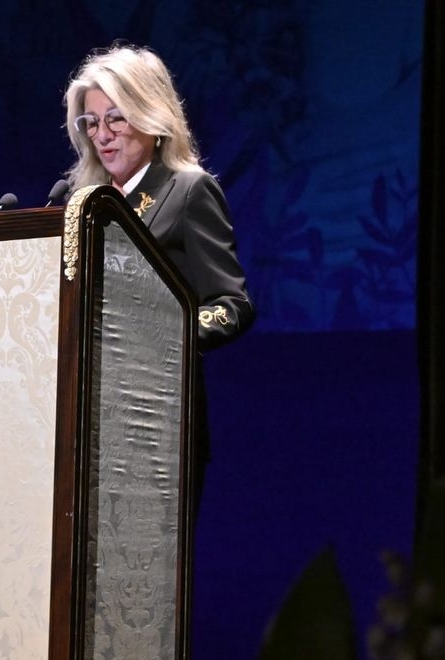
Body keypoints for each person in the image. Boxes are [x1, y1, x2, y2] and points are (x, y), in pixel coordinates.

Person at [63, 43, 254, 479]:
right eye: (91, 122)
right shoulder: (84, 206)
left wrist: (163, 335)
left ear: (150, 116)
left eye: (116, 118)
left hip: (157, 425)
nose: (102, 135)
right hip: (83, 422)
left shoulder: (188, 191)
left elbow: (233, 305)